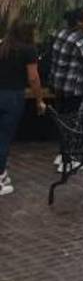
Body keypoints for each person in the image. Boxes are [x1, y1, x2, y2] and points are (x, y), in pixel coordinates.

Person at [0, 22, 47, 196]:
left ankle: (3, 172)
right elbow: (33, 78)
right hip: (12, 96)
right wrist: (39, 99)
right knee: (4, 137)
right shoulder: (28, 50)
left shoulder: (2, 47)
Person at [48, 8, 83, 114]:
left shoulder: (60, 34)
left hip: (57, 87)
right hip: (76, 92)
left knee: (64, 122)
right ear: (79, 22)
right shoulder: (82, 41)